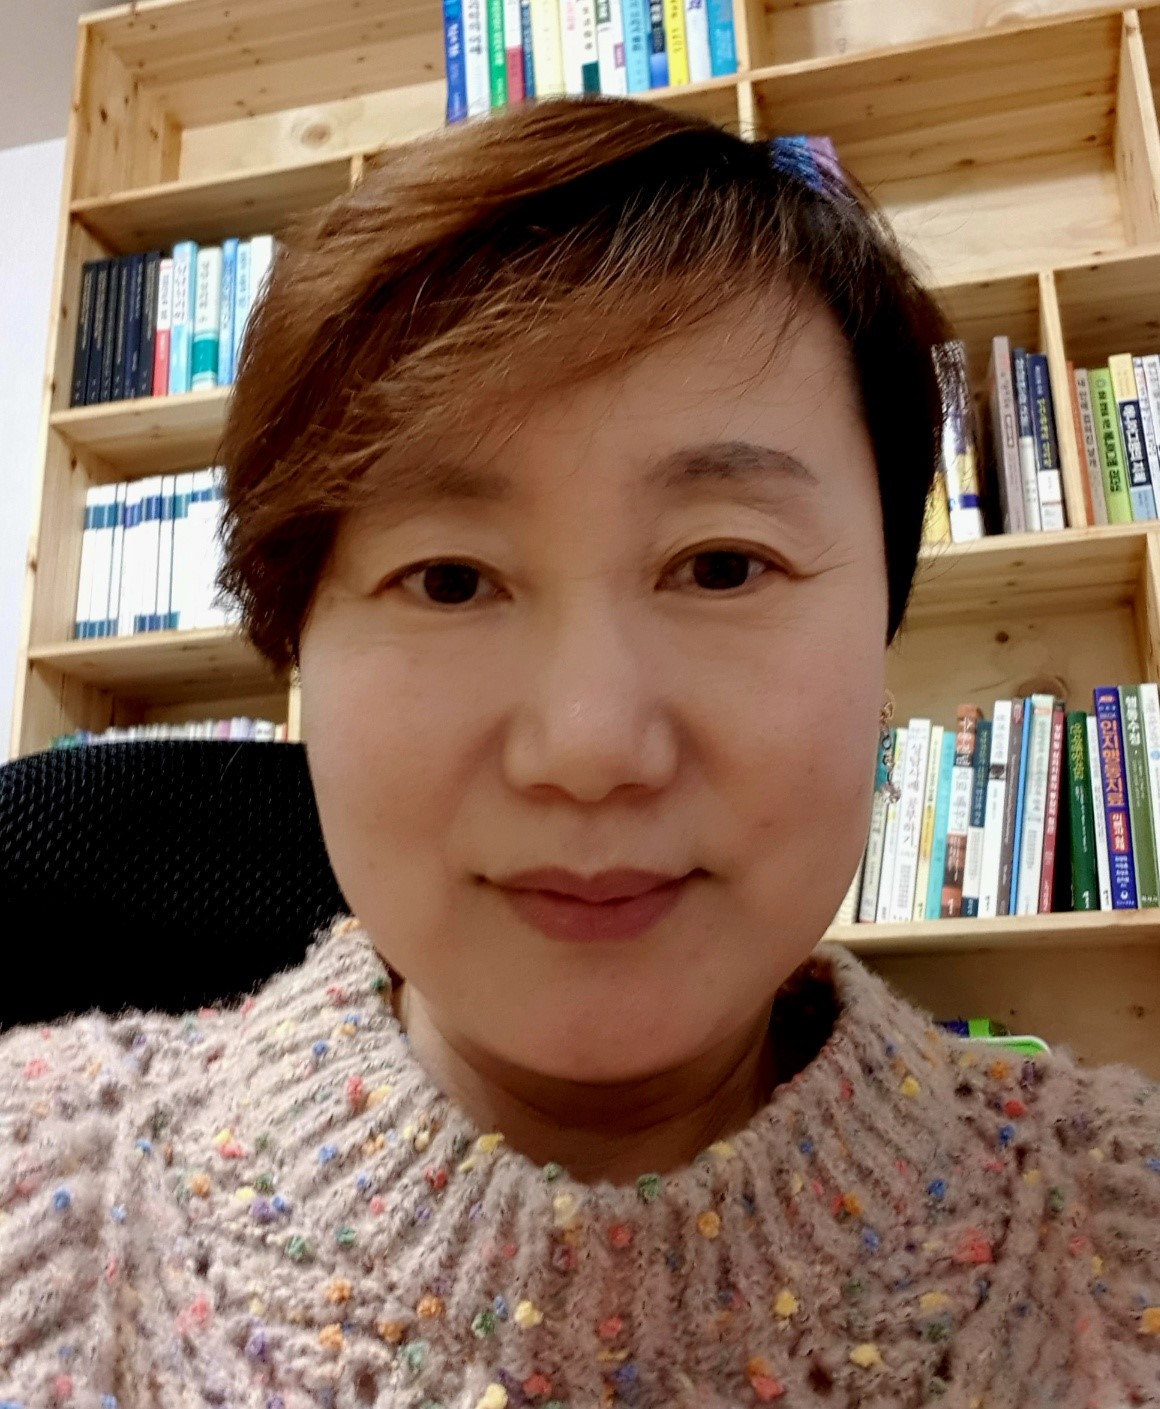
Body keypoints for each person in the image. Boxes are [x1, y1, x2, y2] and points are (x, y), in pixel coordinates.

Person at [1, 96, 1157, 1409]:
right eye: (450, 578)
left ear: (884, 618)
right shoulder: (38, 1185)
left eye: (721, 565)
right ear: (296, 639)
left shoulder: (1122, 1248)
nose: (591, 746)